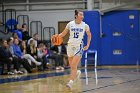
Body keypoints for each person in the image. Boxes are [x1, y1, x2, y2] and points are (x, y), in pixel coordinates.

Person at [58, 10, 91, 89]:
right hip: (70, 46)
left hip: (79, 46)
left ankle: (71, 82)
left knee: (73, 65)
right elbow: (63, 34)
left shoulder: (85, 25)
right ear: (76, 15)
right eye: (80, 14)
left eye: (83, 15)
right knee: (72, 66)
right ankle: (76, 73)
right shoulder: (70, 24)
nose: (82, 16)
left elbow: (89, 35)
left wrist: (88, 44)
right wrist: (56, 36)